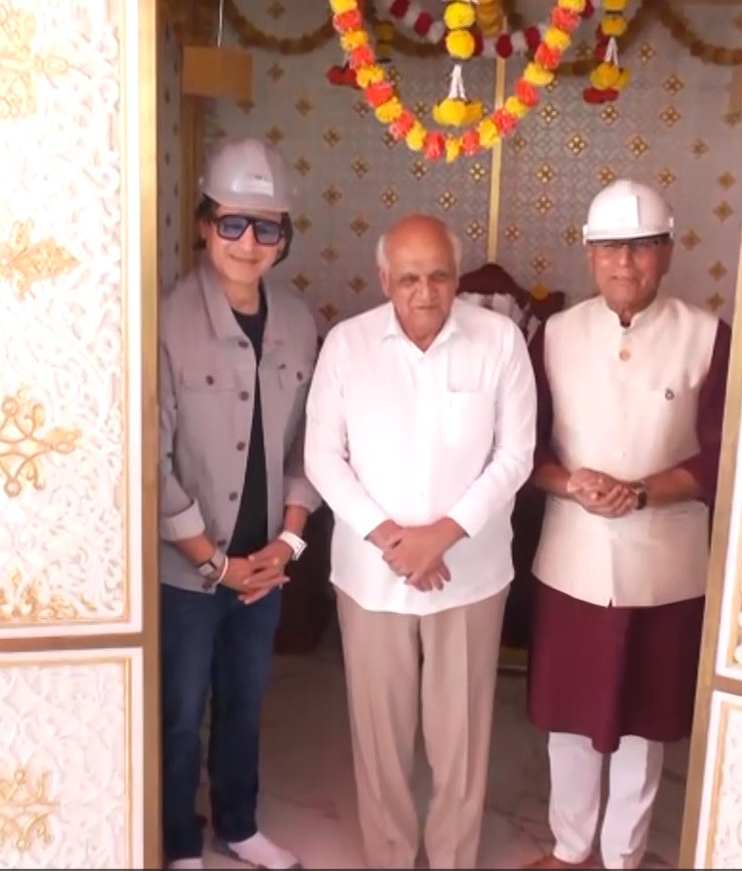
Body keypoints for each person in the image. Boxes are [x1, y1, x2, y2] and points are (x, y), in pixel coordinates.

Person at [305, 213, 536, 869]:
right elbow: (322, 457)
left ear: (457, 277)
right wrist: (392, 539)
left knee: (460, 738)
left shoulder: (499, 341)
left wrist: (442, 535)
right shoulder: (347, 345)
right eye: (408, 278)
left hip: (470, 573)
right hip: (371, 577)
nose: (425, 292)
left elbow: (515, 456)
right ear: (384, 280)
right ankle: (390, 856)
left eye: (438, 275)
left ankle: (452, 857)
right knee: (379, 737)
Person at [521, 180, 730, 870]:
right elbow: (526, 446)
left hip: (664, 565)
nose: (625, 262)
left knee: (644, 723)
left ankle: (622, 856)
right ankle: (569, 847)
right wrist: (570, 483)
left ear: (667, 252)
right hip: (573, 557)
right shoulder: (554, 334)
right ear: (589, 253)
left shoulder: (707, 336)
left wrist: (642, 493)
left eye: (641, 247)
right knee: (568, 715)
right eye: (611, 247)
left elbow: (720, 455)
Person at [156, 138, 318, 871]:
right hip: (188, 568)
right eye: (231, 223)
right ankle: (179, 839)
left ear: (283, 236)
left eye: (266, 227)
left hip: (266, 563)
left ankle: (239, 823)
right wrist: (213, 562)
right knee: (181, 711)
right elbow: (151, 461)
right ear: (204, 224)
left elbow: (310, 446)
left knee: (246, 702)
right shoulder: (167, 321)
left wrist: (287, 546)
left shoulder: (300, 323)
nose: (248, 242)